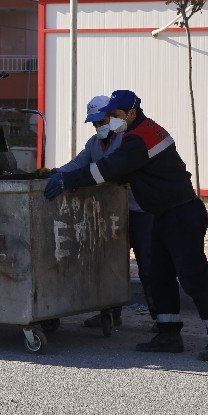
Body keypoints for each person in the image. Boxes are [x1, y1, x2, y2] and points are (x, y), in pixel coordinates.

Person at [44, 90, 208, 361]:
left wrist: (68, 181)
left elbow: (105, 170)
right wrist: (63, 173)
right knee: (159, 274)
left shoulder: (138, 140)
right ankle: (168, 334)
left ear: (131, 113)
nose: (110, 120)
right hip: (163, 214)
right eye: (108, 116)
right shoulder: (142, 131)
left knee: (193, 276)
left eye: (115, 115)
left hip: (181, 213)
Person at [50, 95, 158, 331]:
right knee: (110, 262)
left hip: (140, 211)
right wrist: (54, 173)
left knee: (148, 263)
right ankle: (110, 312)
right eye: (95, 123)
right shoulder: (94, 144)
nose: (99, 126)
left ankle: (161, 317)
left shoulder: (127, 140)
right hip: (112, 213)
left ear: (113, 116)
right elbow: (78, 164)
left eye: (102, 121)